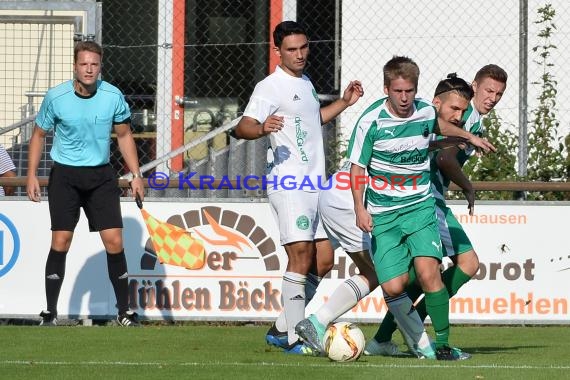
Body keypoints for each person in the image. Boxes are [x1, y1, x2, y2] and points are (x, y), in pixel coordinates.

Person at [295, 73, 476, 359]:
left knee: (380, 276)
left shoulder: (414, 120)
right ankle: (320, 324)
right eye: (454, 109)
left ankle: (315, 326)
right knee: (389, 279)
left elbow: (425, 141)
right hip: (353, 198)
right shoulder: (402, 116)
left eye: (463, 111)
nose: (459, 115)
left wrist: (461, 137)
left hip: (336, 192)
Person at [348, 56, 494, 360]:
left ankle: (439, 345)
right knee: (397, 284)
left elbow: (435, 125)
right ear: (387, 88)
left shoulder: (434, 113)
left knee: (431, 273)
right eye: (489, 91)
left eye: (410, 91)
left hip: (421, 205)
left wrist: (469, 136)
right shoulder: (372, 120)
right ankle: (388, 336)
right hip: (387, 211)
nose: (404, 98)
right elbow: (359, 167)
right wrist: (359, 208)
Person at [232, 20, 363, 354]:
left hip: (315, 182)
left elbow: (312, 119)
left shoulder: (304, 82)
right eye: (292, 49)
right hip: (289, 183)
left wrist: (345, 103)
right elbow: (241, 127)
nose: (300, 54)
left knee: (322, 260)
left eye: (304, 47)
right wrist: (261, 128)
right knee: (300, 254)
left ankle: (280, 328)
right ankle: (293, 339)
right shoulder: (270, 86)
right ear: (278, 51)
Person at [26, 40, 145, 327]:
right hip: (65, 176)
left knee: (115, 241)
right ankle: (50, 313)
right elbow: (39, 135)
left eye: (94, 64)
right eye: (84, 64)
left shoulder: (112, 96)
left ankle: (123, 312)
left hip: (101, 176)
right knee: (61, 241)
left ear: (100, 66)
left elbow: (125, 135)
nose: (89, 69)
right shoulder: (56, 96)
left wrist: (136, 175)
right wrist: (31, 175)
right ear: (75, 66)